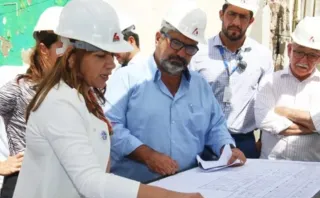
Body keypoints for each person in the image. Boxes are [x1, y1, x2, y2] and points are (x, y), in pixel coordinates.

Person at [7, 0, 222, 198]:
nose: (111, 64)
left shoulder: (85, 97)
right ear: (71, 55)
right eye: (101, 56)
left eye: (112, 55)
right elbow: (90, 180)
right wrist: (168, 197)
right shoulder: (58, 102)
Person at [104, 1, 246, 183]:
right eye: (176, 43)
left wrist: (227, 148)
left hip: (189, 185)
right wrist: (147, 155)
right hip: (137, 191)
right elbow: (110, 127)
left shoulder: (200, 85)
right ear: (158, 38)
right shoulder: (126, 78)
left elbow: (215, 126)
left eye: (190, 48)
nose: (181, 54)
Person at [0, 6, 63, 198]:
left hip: (60, 187)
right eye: (62, 47)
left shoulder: (73, 88)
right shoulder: (18, 88)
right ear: (44, 49)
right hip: (22, 189)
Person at [190, 0, 274, 158]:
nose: (236, 22)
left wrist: (262, 141)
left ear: (251, 21)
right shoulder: (199, 52)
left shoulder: (263, 56)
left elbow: (266, 100)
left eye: (243, 17)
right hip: (203, 141)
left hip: (244, 142)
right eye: (232, 14)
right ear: (221, 15)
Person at [255, 16, 320, 161]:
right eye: (299, 52)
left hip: (311, 170)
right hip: (270, 167)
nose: (304, 60)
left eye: (312, 55)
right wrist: (314, 126)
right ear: (289, 49)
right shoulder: (270, 81)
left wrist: (285, 111)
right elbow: (263, 120)